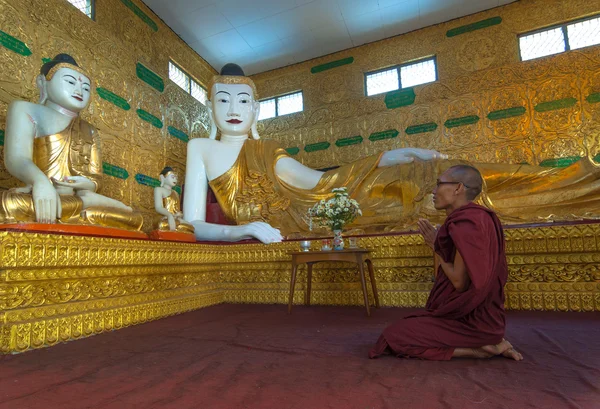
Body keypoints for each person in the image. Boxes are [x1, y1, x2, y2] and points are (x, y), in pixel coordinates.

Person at [184, 63, 600, 243]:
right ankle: (574, 188)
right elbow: (191, 223)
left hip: (338, 199)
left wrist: (387, 156)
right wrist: (242, 230)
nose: (233, 109)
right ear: (211, 108)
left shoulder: (266, 148)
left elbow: (319, 182)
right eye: (223, 101)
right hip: (312, 220)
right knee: (439, 196)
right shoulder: (199, 148)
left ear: (256, 109)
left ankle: (569, 180)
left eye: (243, 101)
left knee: (443, 171)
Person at [369, 165, 523, 361]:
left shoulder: (469, 222)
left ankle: (478, 349)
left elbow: (459, 282)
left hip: (472, 323)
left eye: (439, 184)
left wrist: (435, 246)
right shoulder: (475, 219)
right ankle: (487, 343)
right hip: (484, 320)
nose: (433, 191)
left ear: (458, 188)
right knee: (411, 326)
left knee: (394, 336)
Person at [1, 53, 143, 231]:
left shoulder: (89, 129)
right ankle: (83, 206)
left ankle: (84, 205)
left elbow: (95, 177)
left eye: (85, 87)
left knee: (134, 219)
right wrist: (40, 182)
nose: (79, 90)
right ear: (43, 83)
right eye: (70, 82)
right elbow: (17, 158)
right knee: (11, 204)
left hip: (73, 197)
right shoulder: (25, 109)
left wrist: (87, 184)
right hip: (41, 195)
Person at [154, 166, 194, 234]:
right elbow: (158, 207)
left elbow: (177, 210)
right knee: (161, 225)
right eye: (172, 177)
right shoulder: (159, 190)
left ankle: (176, 228)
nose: (175, 179)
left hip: (175, 219)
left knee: (191, 227)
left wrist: (178, 215)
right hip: (163, 218)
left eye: (176, 178)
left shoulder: (175, 193)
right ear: (163, 178)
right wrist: (169, 215)